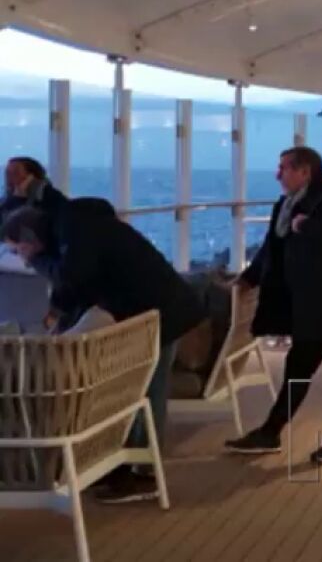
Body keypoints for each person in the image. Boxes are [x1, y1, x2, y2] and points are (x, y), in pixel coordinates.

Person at [1, 202, 205, 503]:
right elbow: (82, 283)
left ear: (31, 238)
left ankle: (145, 474)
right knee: (145, 389)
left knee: (151, 390)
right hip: (160, 306)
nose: (23, 258)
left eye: (19, 250)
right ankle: (132, 465)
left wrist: (40, 264)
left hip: (162, 310)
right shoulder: (79, 228)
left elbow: (75, 277)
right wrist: (60, 312)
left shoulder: (75, 232)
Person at [224, 147, 322, 464]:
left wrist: (308, 227)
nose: (278, 174)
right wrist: (247, 279)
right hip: (311, 306)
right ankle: (271, 432)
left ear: (305, 172)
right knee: (298, 368)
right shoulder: (286, 205)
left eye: (284, 168)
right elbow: (272, 249)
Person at [1, 157, 68, 225]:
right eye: (7, 173)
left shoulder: (52, 198)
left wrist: (20, 198)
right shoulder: (5, 201)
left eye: (16, 173)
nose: (10, 177)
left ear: (31, 177)